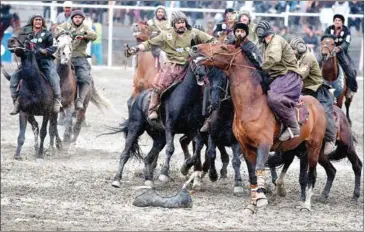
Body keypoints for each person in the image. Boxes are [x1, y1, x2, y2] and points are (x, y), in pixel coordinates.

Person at [125, 11, 215, 121]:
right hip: (173, 66)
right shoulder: (166, 35)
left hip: (192, 66)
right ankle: (153, 108)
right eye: (178, 23)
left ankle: (208, 115)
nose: (181, 25)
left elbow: (210, 39)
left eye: (183, 22)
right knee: (160, 83)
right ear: (173, 24)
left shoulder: (193, 33)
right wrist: (136, 48)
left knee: (208, 84)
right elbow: (150, 43)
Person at [200, 22, 262, 132]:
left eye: (242, 32)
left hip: (246, 77)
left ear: (246, 34)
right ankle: (210, 116)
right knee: (215, 85)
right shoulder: (229, 44)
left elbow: (258, 62)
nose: (239, 34)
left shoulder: (251, 46)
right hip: (228, 75)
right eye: (237, 31)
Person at [255, 20, 303, 141]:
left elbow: (274, 58)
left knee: (274, 97)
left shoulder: (275, 41)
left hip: (289, 76)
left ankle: (293, 126)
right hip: (277, 76)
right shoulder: (266, 43)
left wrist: (260, 68)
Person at [290, 37, 337, 155]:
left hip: (318, 90)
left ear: (300, 48)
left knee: (325, 112)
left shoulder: (308, 58)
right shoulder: (298, 58)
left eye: (293, 49)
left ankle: (331, 139)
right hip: (305, 90)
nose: (292, 52)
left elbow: (300, 74)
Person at [9, 14, 61, 115]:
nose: (38, 21)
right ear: (32, 21)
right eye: (36, 20)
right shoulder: (25, 32)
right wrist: (14, 48)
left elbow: (54, 46)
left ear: (42, 22)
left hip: (44, 61)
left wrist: (45, 50)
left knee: (54, 76)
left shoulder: (48, 33)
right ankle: (16, 101)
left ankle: (57, 100)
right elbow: (18, 45)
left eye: (40, 20)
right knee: (14, 78)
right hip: (28, 61)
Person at [56, 10, 97, 110]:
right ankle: (54, 98)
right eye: (75, 17)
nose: (77, 19)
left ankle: (80, 100)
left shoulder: (86, 28)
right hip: (63, 57)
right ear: (72, 18)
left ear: (83, 19)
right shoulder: (66, 25)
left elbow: (94, 35)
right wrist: (67, 33)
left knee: (85, 78)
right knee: (52, 75)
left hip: (79, 57)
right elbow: (57, 29)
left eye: (79, 17)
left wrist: (83, 34)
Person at [324, 14, 358, 97]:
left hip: (341, 53)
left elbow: (346, 43)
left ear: (342, 22)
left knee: (350, 69)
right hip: (329, 52)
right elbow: (325, 37)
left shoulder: (346, 31)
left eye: (339, 20)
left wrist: (339, 48)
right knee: (318, 64)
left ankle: (350, 89)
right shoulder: (329, 29)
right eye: (335, 20)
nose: (337, 22)